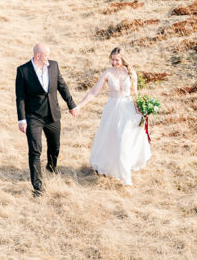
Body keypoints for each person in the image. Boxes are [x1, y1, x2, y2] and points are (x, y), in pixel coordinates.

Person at [74, 46, 151, 186]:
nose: (114, 62)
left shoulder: (131, 73)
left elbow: (135, 93)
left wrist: (141, 109)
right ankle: (114, 167)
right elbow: (94, 91)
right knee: (115, 140)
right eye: (112, 60)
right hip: (113, 109)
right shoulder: (107, 73)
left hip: (129, 110)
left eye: (117, 60)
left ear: (123, 59)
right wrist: (80, 105)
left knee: (124, 139)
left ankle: (126, 175)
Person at [15, 42, 78, 196]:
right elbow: (20, 97)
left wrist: (71, 105)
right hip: (33, 117)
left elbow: (62, 86)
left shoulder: (54, 66)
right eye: (46, 56)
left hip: (52, 115)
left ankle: (51, 168)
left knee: (55, 146)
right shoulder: (23, 71)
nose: (48, 58)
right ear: (37, 56)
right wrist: (21, 120)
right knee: (35, 151)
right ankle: (38, 187)